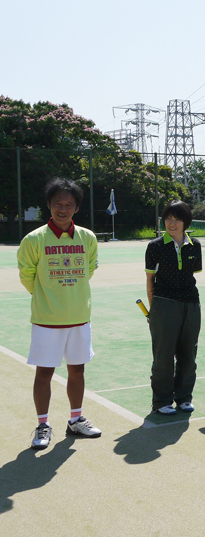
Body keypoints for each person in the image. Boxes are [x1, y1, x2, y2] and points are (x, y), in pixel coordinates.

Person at [18, 178, 102, 450]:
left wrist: (69, 295)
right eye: (58, 204)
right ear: (49, 206)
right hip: (47, 320)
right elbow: (27, 276)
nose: (62, 209)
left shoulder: (87, 237)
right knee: (44, 373)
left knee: (77, 370)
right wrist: (48, 297)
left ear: (76, 208)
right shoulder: (34, 239)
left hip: (79, 318)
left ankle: (75, 420)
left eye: (68, 204)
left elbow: (89, 269)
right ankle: (43, 424)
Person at [144, 200, 202, 415]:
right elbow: (150, 280)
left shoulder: (195, 245)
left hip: (191, 304)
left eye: (176, 219)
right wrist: (154, 309)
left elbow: (191, 274)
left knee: (189, 354)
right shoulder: (155, 246)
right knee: (163, 356)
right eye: (168, 218)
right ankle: (161, 401)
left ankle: (184, 397)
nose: (171, 223)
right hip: (164, 304)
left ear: (185, 222)